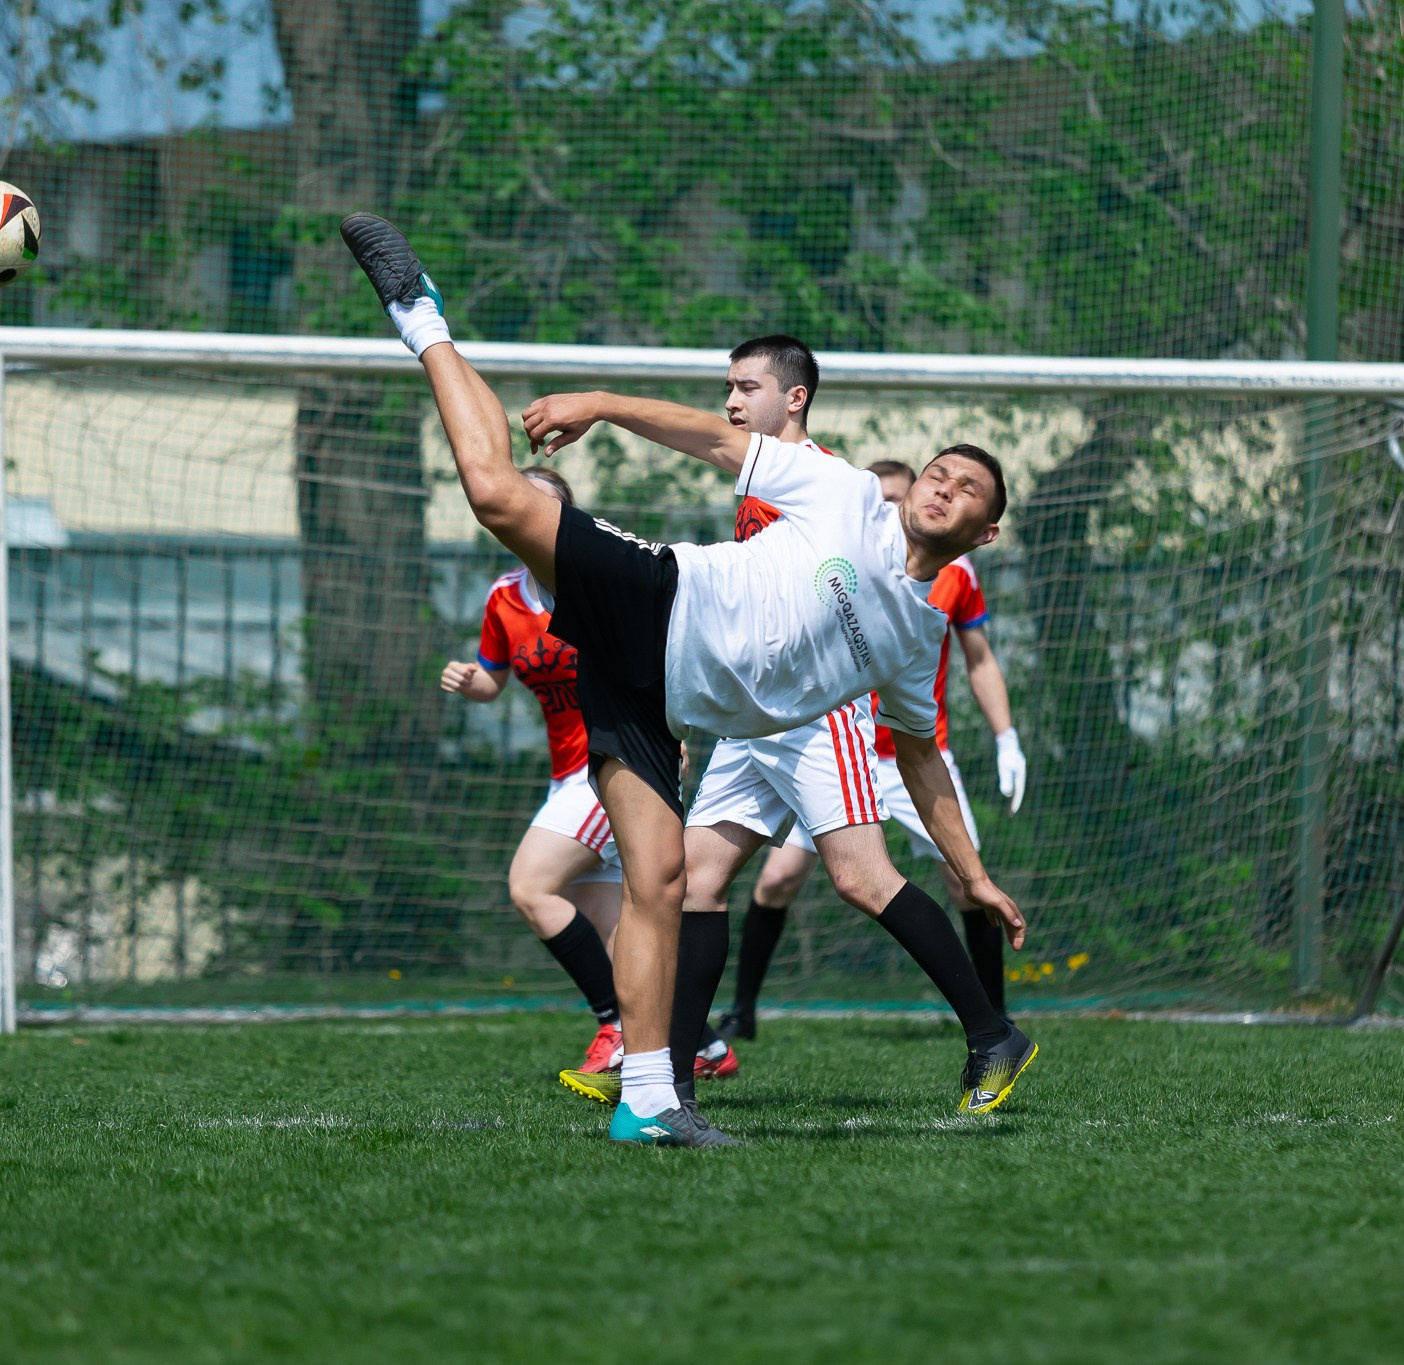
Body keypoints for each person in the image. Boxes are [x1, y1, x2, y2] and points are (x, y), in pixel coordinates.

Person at [341, 212, 1031, 1148]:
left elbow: (920, 759)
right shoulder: (837, 490)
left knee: (663, 883)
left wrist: (976, 875)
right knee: (501, 493)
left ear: (983, 532)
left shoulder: (917, 638)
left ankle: (652, 1102)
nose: (943, 488)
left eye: (967, 491)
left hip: (655, 704)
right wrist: (603, 399)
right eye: (938, 472)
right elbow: (713, 438)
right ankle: (421, 315)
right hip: (657, 601)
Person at [550, 337, 1028, 1117]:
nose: (733, 403)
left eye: (747, 388)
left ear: (794, 398)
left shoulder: (824, 479)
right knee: (694, 885)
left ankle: (989, 1030)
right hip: (750, 721)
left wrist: (601, 404)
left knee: (860, 877)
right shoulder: (777, 480)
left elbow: (873, 655)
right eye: (728, 389)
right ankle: (672, 1066)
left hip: (815, 713)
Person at [714, 458, 1031, 1042]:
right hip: (819, 738)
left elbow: (979, 659)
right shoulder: (840, 544)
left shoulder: (952, 580)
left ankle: (993, 1021)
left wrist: (1005, 736)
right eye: (884, 499)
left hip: (910, 752)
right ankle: (718, 1027)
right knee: (759, 879)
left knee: (951, 882)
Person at [442, 466, 736, 1080]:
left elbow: (661, 663)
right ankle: (704, 1045)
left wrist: (669, 737)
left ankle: (613, 1025)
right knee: (612, 928)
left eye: (542, 506)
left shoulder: (603, 583)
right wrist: (474, 683)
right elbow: (494, 678)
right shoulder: (503, 596)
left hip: (613, 764)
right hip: (564, 777)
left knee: (530, 886)